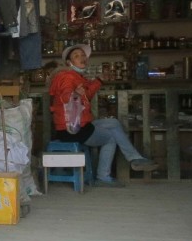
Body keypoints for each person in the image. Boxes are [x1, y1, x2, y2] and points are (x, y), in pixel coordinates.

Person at [49, 43, 158, 187]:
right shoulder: (67, 76)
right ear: (69, 63)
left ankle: (134, 159)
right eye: (76, 56)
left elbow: (86, 95)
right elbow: (65, 95)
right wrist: (73, 94)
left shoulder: (77, 77)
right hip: (71, 128)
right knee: (111, 138)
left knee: (113, 123)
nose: (81, 58)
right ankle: (105, 176)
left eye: (83, 55)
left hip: (79, 123)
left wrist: (99, 80)